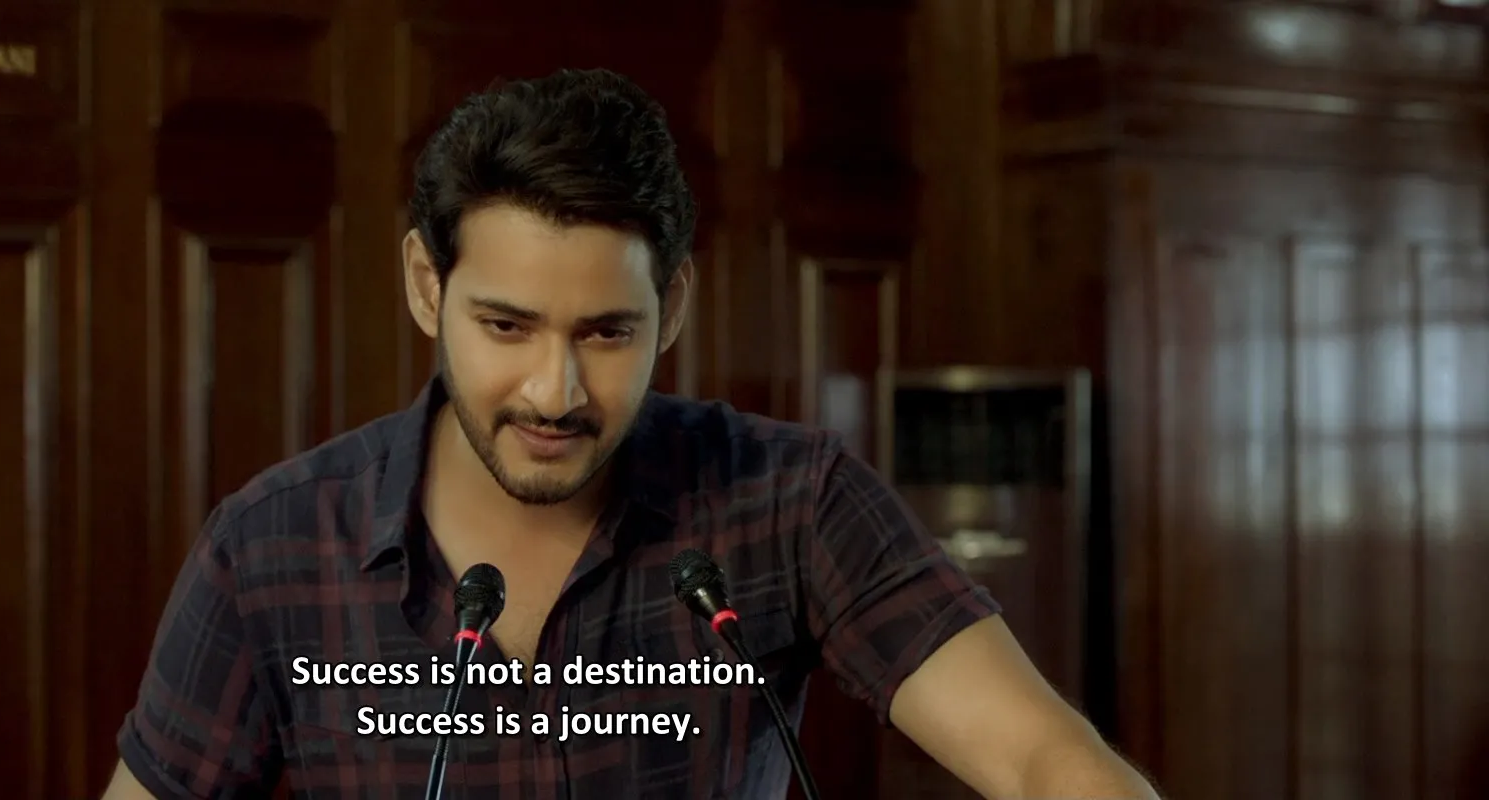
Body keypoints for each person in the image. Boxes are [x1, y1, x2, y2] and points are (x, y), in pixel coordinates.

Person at [101, 67, 1160, 800]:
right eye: (506, 326)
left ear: (674, 305)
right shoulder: (271, 547)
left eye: (607, 332)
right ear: (427, 284)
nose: (554, 391)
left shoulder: (789, 498)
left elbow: (1041, 760)